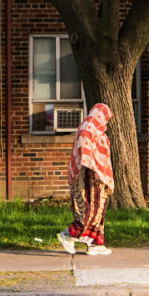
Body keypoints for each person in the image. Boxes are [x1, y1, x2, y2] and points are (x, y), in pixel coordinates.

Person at [57, 103, 114, 256]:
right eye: (105, 117)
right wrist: (92, 168)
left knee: (100, 209)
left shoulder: (95, 130)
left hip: (98, 176)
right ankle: (68, 234)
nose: (106, 122)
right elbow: (85, 152)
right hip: (89, 175)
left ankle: (95, 243)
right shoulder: (87, 128)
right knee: (90, 210)